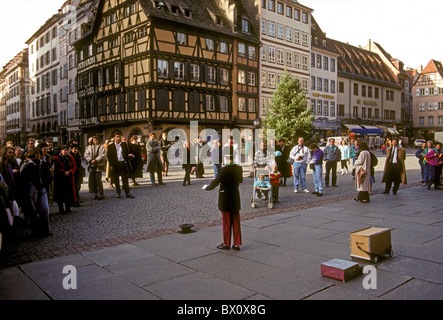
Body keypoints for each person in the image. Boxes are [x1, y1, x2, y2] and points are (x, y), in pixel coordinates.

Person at [204, 146, 243, 251]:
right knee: (236, 221)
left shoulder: (224, 169)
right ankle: (237, 243)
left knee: (226, 221)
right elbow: (240, 180)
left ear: (225, 157)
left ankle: (226, 243)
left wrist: (207, 187)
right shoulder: (239, 168)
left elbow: (215, 182)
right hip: (235, 197)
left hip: (225, 198)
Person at [19, 147, 53, 237]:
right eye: (36, 154)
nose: (38, 155)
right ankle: (35, 231)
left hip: (41, 189)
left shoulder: (43, 164)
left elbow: (49, 177)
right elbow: (22, 178)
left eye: (39, 153)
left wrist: (43, 183)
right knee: (32, 210)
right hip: (32, 189)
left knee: (44, 209)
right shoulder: (27, 165)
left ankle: (45, 229)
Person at [107, 134, 135, 198]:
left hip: (123, 163)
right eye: (117, 137)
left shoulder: (123, 145)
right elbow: (109, 156)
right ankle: (118, 193)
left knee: (125, 179)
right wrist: (111, 165)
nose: (118, 138)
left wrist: (129, 155)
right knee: (116, 179)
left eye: (119, 137)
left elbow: (126, 152)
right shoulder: (111, 146)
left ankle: (127, 193)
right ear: (114, 137)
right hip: (115, 164)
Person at [53, 146, 77, 214]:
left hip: (69, 177)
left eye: (67, 150)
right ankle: (61, 209)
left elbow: (74, 165)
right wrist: (63, 171)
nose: (66, 152)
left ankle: (68, 207)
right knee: (60, 194)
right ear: (61, 151)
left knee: (68, 193)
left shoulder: (70, 157)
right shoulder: (57, 158)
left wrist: (70, 171)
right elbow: (56, 167)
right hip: (60, 178)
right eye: (64, 150)